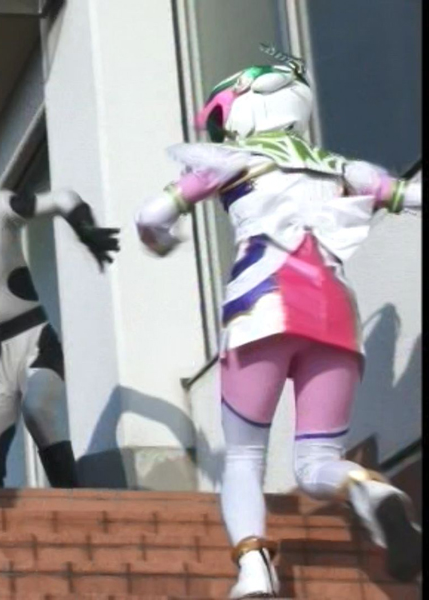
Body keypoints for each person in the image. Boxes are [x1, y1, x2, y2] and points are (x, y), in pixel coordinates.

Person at [134, 50, 422, 597]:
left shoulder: (228, 160)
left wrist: (161, 241)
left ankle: (252, 571)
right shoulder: (341, 168)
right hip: (336, 319)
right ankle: (374, 492)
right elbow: (409, 197)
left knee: (244, 457)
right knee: (318, 462)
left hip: (260, 310)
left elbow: (151, 216)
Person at [0, 188, 118, 488]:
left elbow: (62, 198)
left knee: (38, 409)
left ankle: (73, 500)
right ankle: (1, 517)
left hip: (35, 341)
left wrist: (84, 227)